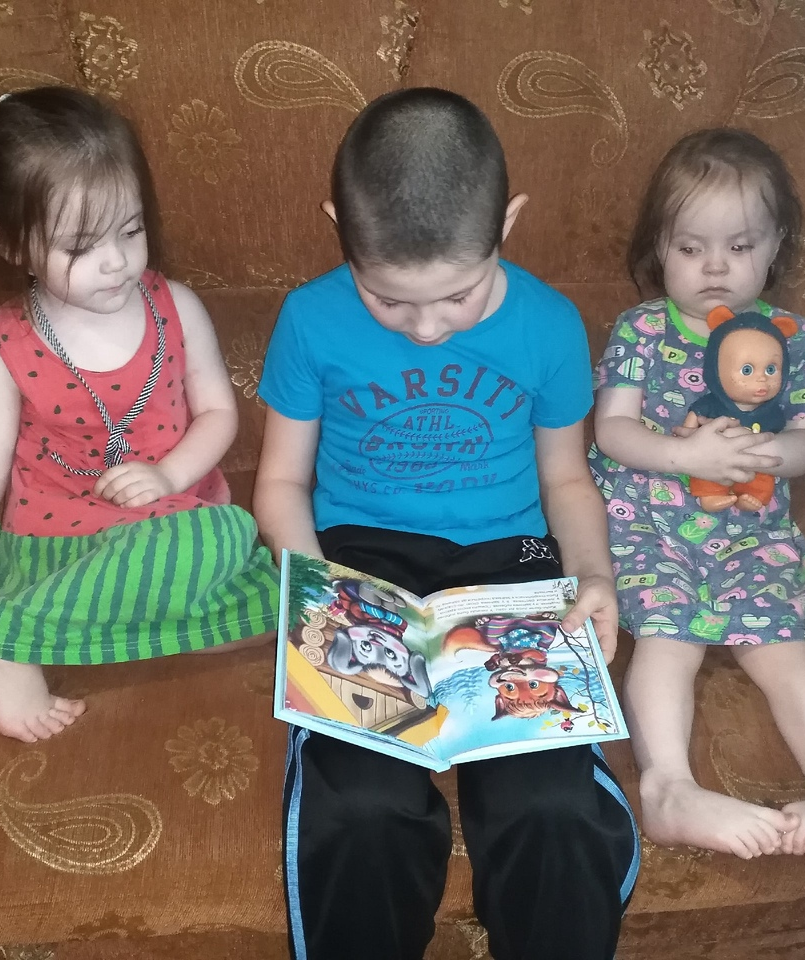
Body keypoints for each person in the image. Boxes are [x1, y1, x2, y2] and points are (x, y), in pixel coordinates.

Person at [255, 87, 639, 960]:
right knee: (362, 808)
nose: (427, 328)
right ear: (338, 230)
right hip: (362, 566)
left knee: (551, 808)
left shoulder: (550, 324)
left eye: (458, 296)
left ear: (509, 222)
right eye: (390, 300)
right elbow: (279, 482)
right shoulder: (310, 319)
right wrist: (318, 589)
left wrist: (595, 576)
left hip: (512, 565)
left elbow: (566, 477)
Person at [0, 87, 278, 743]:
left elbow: (219, 414)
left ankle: (94, 626)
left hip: (170, 520)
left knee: (262, 582)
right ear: (9, 243)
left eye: (131, 230)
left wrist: (168, 477)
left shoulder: (178, 307)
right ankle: (0, 641)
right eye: (80, 246)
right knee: (216, 537)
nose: (116, 261)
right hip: (54, 548)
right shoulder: (5, 351)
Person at [590, 127, 805, 865]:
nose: (715, 266)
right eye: (691, 248)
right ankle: (668, 788)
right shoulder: (642, 330)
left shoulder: (797, 340)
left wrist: (772, 454)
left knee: (785, 651)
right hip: (649, 524)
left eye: (740, 246)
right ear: (660, 247)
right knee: (671, 640)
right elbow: (612, 430)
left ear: (776, 244)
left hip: (752, 531)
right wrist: (684, 455)